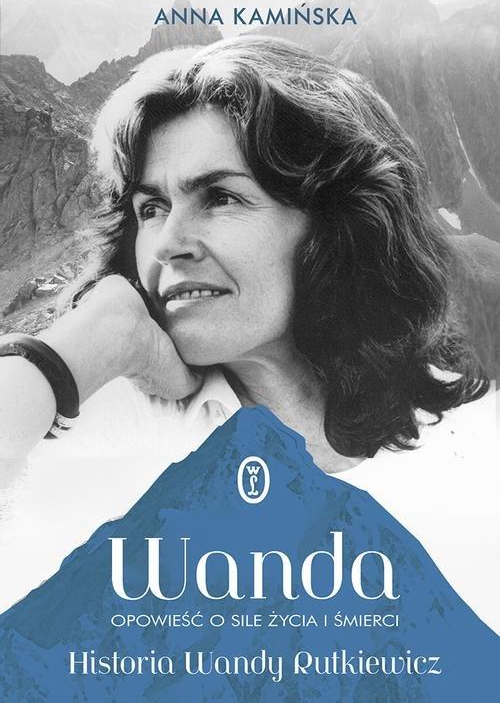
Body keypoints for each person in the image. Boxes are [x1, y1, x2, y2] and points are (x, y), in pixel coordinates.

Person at [0, 37, 496, 627]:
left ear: (338, 226)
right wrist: (67, 356)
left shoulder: (473, 439)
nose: (166, 244)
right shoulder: (94, 420)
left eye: (220, 197)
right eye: (151, 208)